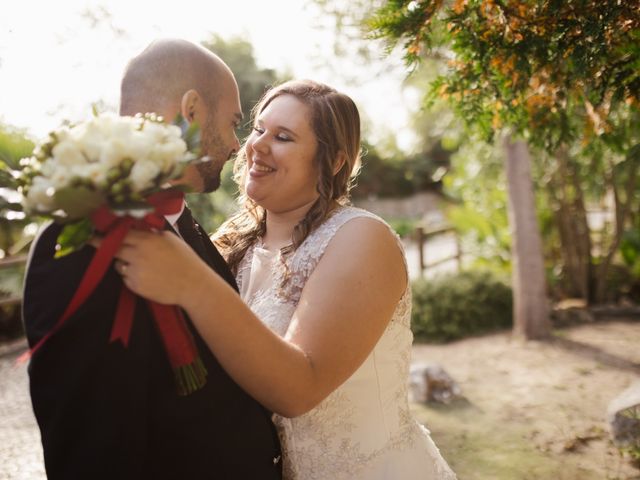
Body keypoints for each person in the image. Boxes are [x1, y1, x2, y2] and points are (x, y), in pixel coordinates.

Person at [113, 79, 457, 479]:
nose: (256, 145)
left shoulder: (362, 238)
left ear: (333, 162)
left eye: (283, 137)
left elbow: (300, 389)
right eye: (257, 129)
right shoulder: (230, 241)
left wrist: (192, 282)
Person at [22, 38, 282, 480]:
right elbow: (91, 450)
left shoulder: (184, 221)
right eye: (234, 122)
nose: (238, 146)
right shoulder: (81, 238)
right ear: (193, 109)